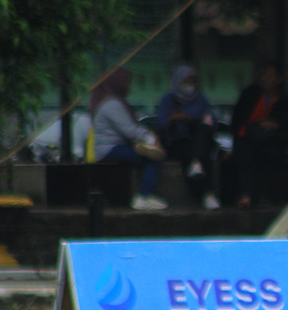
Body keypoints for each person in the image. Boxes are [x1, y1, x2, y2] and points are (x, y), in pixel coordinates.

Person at [90, 68, 169, 211]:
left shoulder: (111, 102)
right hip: (110, 149)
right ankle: (144, 196)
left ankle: (145, 194)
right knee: (152, 158)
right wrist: (150, 137)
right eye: (126, 83)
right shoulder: (111, 104)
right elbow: (129, 129)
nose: (128, 87)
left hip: (113, 147)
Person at [230, 61, 288, 209]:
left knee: (271, 153)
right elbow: (237, 120)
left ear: (279, 79)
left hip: (270, 141)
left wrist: (276, 124)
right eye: (263, 76)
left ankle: (266, 196)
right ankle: (245, 195)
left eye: (269, 76)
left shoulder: (286, 102)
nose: (265, 79)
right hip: (245, 138)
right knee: (245, 152)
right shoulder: (250, 94)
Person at [156, 64, 221, 210]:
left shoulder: (200, 99)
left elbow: (212, 120)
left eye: (192, 81)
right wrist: (174, 118)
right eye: (186, 81)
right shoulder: (168, 100)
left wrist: (206, 119)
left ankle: (197, 165)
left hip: (198, 139)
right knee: (197, 154)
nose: (190, 85)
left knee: (202, 145)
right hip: (177, 141)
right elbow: (160, 123)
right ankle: (207, 194)